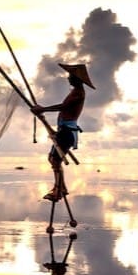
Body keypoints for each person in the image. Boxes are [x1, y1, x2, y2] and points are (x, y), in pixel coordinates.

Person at [31, 63, 93, 202]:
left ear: (77, 79)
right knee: (53, 159)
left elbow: (64, 107)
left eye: (71, 76)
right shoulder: (74, 91)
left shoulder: (78, 93)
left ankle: (58, 190)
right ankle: (61, 188)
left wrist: (43, 109)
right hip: (63, 131)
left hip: (67, 133)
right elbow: (64, 109)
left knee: (55, 160)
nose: (68, 78)